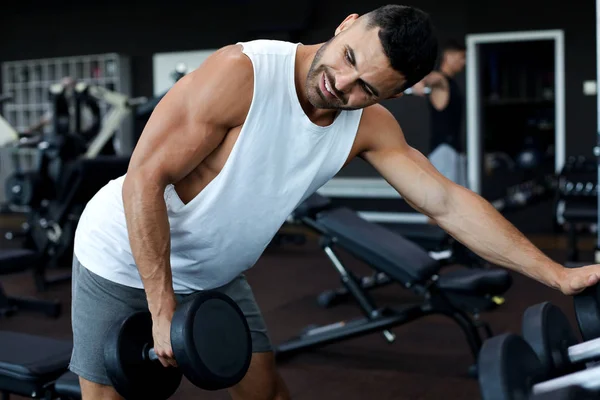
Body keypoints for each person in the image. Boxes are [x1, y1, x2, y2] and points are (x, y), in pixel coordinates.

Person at [70, 5, 600, 400]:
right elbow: (144, 178)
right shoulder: (243, 74)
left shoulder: (368, 125)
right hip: (120, 257)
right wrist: (161, 308)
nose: (340, 84)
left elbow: (446, 202)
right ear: (347, 24)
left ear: (391, 97)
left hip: (213, 271)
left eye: (365, 87)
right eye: (349, 58)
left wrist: (557, 274)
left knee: (266, 393)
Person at [411, 40, 467, 187]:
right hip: (444, 151)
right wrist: (419, 82)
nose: (464, 62)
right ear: (448, 56)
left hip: (454, 151)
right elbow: (431, 78)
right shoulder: (441, 79)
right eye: (462, 57)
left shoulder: (451, 83)